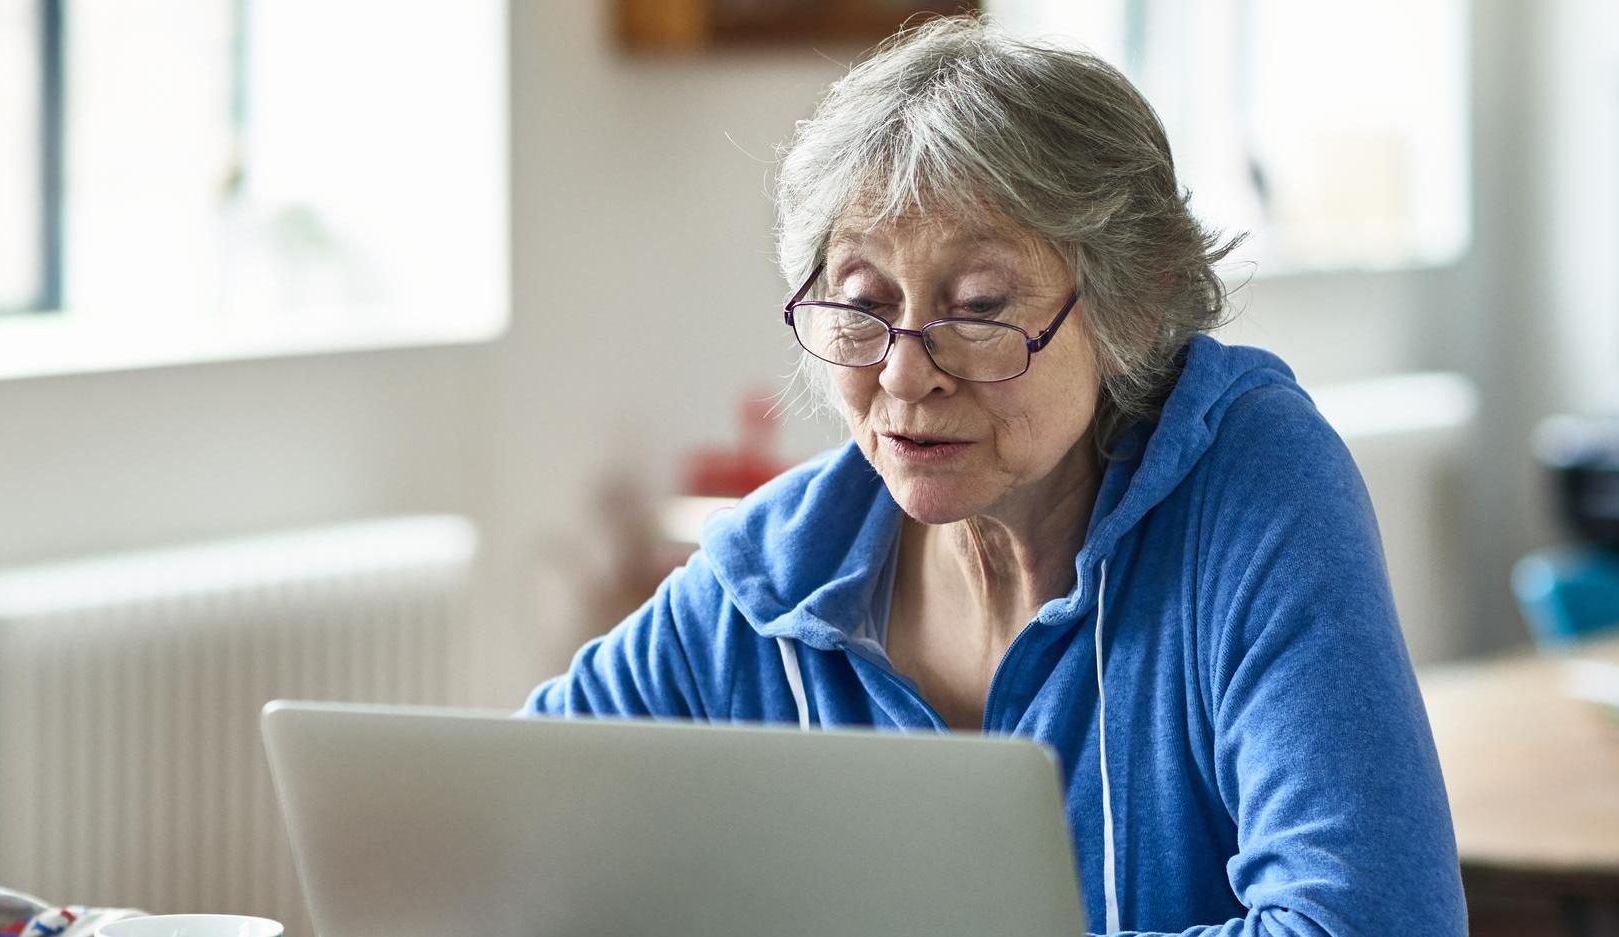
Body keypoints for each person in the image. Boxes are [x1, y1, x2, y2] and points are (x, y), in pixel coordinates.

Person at [522, 15, 1465, 936]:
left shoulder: (1253, 491)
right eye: (864, 304)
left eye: (978, 308)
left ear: (1135, 308)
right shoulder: (777, 575)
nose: (904, 372)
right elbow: (506, 823)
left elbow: (1369, 920)